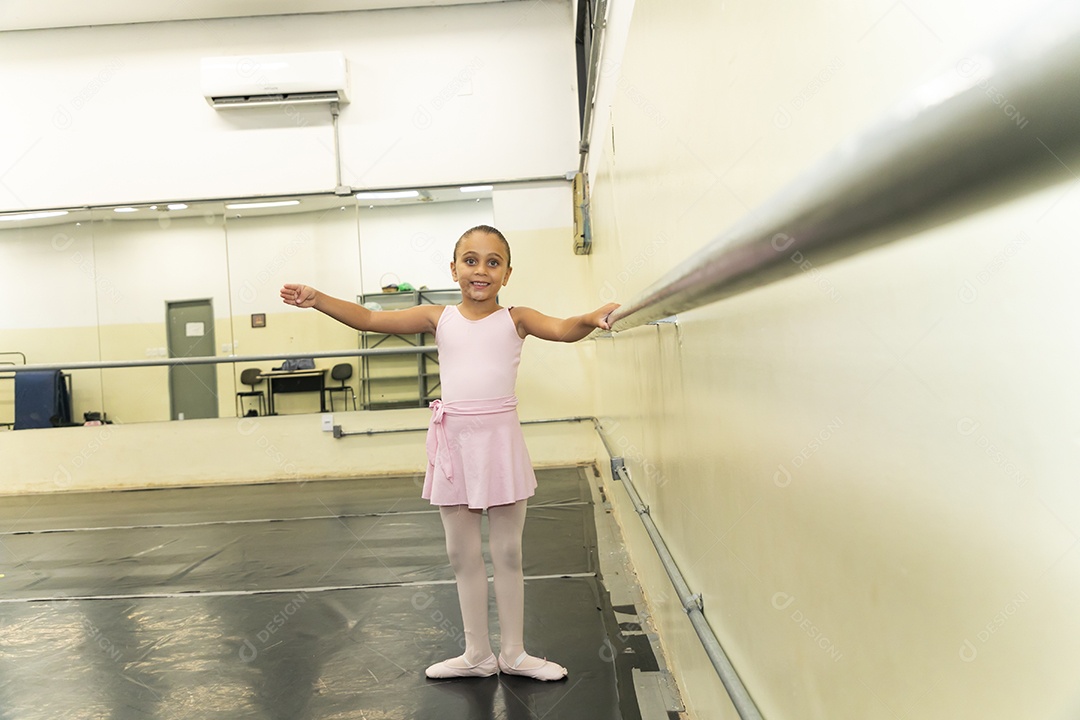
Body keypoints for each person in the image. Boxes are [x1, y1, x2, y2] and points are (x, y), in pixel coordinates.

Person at [280, 224, 618, 681]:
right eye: (471, 260)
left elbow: (561, 329)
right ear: (454, 268)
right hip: (455, 445)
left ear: (507, 273)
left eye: (493, 262)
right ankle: (477, 654)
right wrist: (317, 298)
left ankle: (514, 653)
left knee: (508, 553)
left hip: (499, 444)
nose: (481, 270)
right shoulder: (437, 317)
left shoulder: (516, 318)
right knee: (462, 555)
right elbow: (369, 319)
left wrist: (590, 317)